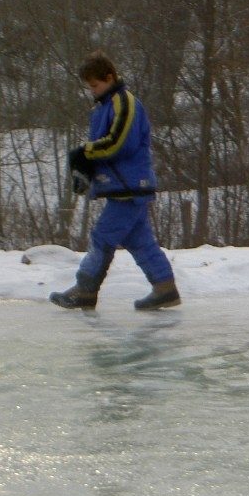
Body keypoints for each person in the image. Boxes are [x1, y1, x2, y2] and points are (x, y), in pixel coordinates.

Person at [50, 50, 180, 311]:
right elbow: (102, 149)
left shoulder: (124, 102)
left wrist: (84, 153)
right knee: (139, 240)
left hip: (130, 186)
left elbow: (120, 143)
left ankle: (85, 290)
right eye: (90, 87)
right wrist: (85, 170)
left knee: (102, 237)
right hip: (122, 185)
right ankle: (165, 289)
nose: (92, 91)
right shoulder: (104, 107)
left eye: (95, 85)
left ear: (109, 77)